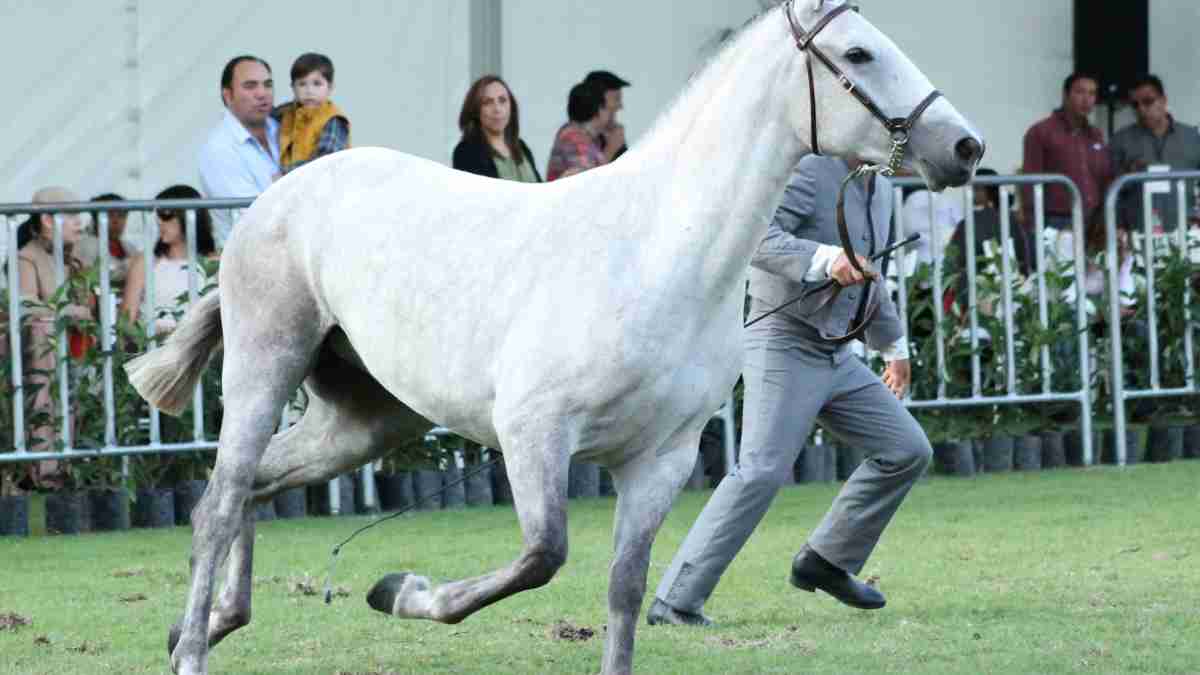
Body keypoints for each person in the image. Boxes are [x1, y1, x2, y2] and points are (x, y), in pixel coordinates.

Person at [648, 155, 929, 627]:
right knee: (760, 470)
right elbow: (755, 236)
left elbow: (870, 274)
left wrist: (893, 346)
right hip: (783, 339)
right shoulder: (809, 170)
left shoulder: (879, 186)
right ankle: (675, 600)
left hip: (837, 353)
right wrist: (824, 259)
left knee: (906, 449)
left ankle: (826, 561)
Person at [15, 187, 95, 488]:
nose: (81, 223)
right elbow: (26, 305)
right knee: (45, 400)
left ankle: (71, 468)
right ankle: (44, 474)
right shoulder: (27, 257)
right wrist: (72, 311)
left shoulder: (72, 260)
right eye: (72, 215)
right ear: (47, 220)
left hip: (72, 350)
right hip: (41, 355)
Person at [198, 55, 280, 246]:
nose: (262, 93)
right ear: (228, 95)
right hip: (248, 262)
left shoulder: (286, 129)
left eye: (267, 84)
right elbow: (254, 218)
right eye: (250, 86)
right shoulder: (218, 149)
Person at [1021, 72, 1114, 236]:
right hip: (1057, 220)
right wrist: (1033, 225)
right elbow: (1030, 183)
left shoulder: (1096, 134)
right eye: (1080, 92)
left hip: (1094, 219)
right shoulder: (1041, 132)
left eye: (1092, 93)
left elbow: (1104, 177)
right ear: (1065, 95)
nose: (1086, 99)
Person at [120, 185, 217, 335]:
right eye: (157, 214)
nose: (159, 221)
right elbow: (125, 324)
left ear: (189, 216)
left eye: (166, 214)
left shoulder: (216, 263)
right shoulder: (145, 262)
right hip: (153, 349)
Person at [1109, 74, 1200, 231]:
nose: (1142, 110)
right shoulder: (1121, 140)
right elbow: (1111, 189)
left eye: (1148, 102)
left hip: (1185, 233)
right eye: (1135, 105)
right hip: (1138, 232)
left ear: (1163, 100)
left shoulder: (1192, 137)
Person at [945, 168, 1032, 312]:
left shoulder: (971, 223)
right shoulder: (1012, 220)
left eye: (975, 189)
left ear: (987, 191)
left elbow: (953, 261)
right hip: (1016, 289)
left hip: (978, 296)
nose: (971, 193)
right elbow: (1023, 259)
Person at [272, 52, 351, 175]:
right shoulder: (285, 113)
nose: (309, 91)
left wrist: (285, 173)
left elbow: (326, 161)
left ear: (330, 87)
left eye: (317, 84)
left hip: (324, 185)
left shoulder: (333, 119)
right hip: (292, 184)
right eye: (302, 84)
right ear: (293, 87)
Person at [452, 75, 541, 182]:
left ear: (511, 107)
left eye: (502, 100)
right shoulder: (466, 152)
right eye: (488, 102)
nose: (497, 109)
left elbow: (540, 192)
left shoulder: (521, 147)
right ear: (475, 110)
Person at [546, 81, 623, 181]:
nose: (613, 114)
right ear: (599, 110)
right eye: (608, 108)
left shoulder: (588, 137)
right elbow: (587, 182)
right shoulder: (573, 137)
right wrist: (611, 150)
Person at [82, 193, 135, 287]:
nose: (116, 221)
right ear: (96, 218)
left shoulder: (129, 247)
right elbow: (90, 277)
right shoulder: (86, 245)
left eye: (121, 215)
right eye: (110, 215)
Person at [583, 70, 631, 160]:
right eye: (616, 99)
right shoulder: (574, 137)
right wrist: (611, 149)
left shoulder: (608, 136)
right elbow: (581, 173)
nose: (620, 106)